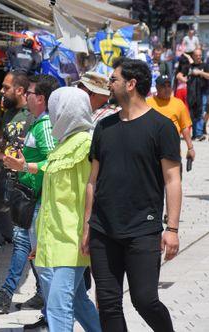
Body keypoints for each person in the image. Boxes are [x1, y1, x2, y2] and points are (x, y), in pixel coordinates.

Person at [82, 57, 181, 332]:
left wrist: (171, 228)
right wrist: (87, 225)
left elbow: (173, 180)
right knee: (108, 304)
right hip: (103, 229)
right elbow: (93, 180)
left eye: (113, 79)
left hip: (143, 228)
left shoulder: (162, 127)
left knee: (145, 299)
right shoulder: (104, 127)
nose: (109, 85)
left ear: (131, 84)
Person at [0, 75, 58, 327]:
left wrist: (24, 165)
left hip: (36, 199)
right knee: (29, 250)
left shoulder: (45, 125)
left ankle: (47, 314)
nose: (25, 95)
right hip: (27, 196)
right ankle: (45, 311)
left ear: (39, 98)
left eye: (29, 92)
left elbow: (54, 162)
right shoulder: (38, 123)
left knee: (34, 254)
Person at [33, 87, 101, 332]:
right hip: (54, 238)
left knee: (58, 306)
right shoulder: (63, 144)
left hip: (73, 240)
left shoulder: (85, 145)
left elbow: (91, 191)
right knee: (79, 302)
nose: (52, 115)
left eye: (54, 109)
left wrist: (88, 230)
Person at [147, 75, 195, 163]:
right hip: (152, 150)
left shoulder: (178, 103)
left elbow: (184, 127)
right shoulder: (148, 103)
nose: (167, 89)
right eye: (163, 86)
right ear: (157, 87)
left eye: (169, 86)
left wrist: (190, 148)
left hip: (172, 149)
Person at [186, 48, 209, 140]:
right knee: (193, 112)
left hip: (203, 91)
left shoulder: (205, 65)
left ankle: (199, 133)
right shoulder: (189, 66)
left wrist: (199, 72)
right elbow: (180, 75)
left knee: (201, 111)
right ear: (193, 56)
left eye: (200, 55)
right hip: (192, 92)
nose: (199, 57)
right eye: (197, 55)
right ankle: (195, 134)